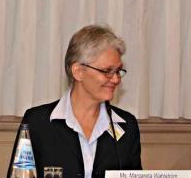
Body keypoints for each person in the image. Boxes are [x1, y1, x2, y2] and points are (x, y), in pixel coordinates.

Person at [11, 25, 141, 178]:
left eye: (118, 71)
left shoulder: (127, 125)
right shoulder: (37, 122)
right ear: (78, 71)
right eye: (107, 71)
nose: (116, 79)